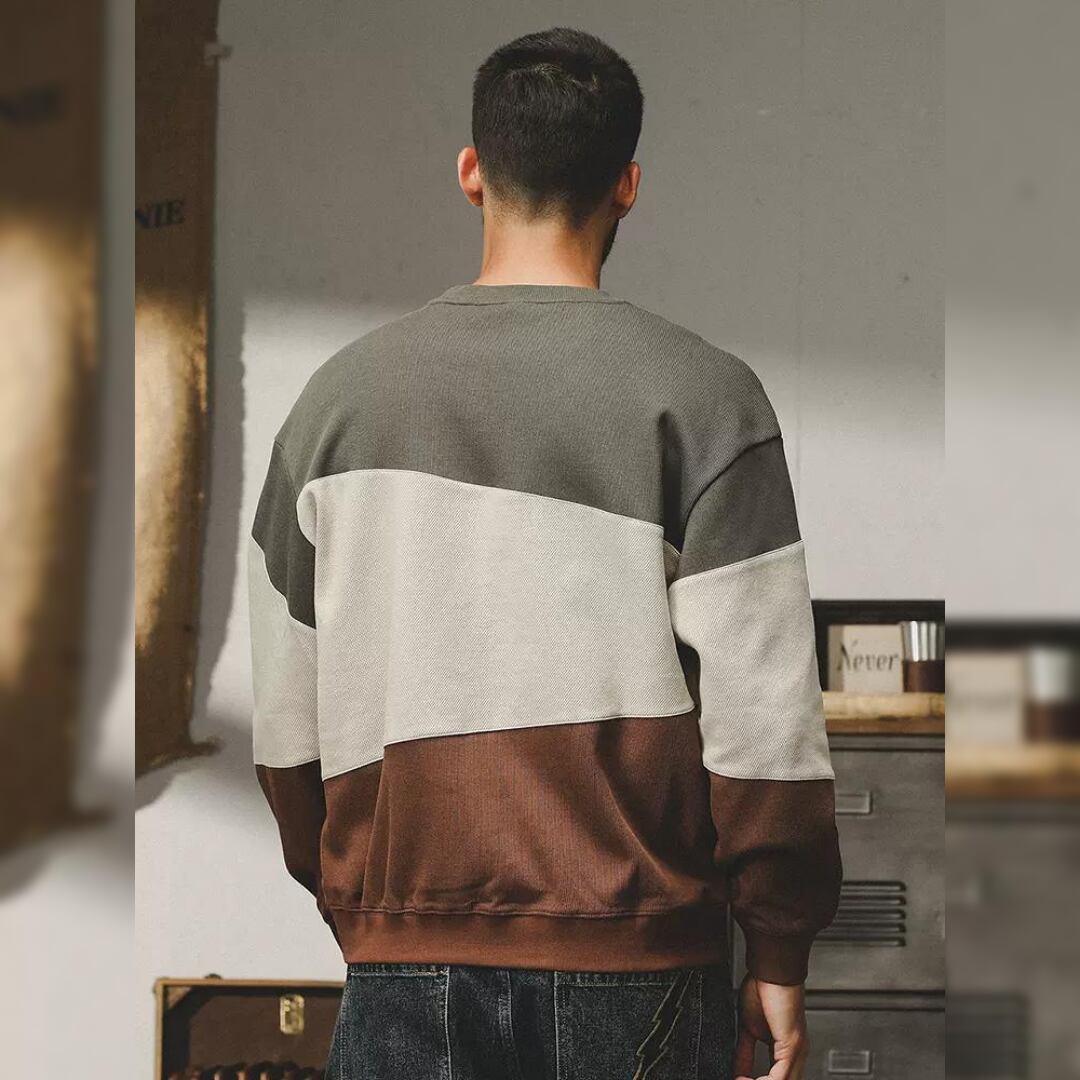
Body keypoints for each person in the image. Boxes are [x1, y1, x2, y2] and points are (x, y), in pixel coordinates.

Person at [248, 26, 841, 1080]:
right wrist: (780, 947)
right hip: (640, 960)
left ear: (472, 172)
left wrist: (370, 913)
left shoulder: (335, 405)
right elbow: (767, 726)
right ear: (627, 185)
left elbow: (288, 729)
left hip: (402, 956)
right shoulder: (707, 399)